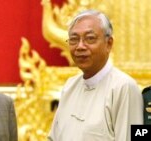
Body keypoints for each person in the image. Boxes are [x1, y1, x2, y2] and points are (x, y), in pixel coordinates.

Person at [48, 10, 143, 141]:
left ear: (108, 44)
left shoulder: (124, 87)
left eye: (90, 38)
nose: (80, 46)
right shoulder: (70, 86)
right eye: (74, 39)